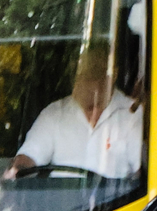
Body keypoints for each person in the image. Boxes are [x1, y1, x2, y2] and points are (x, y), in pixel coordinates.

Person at [13, 46, 144, 182]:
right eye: (81, 73)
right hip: (61, 200)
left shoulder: (133, 113)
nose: (86, 80)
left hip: (120, 201)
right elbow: (29, 156)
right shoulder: (55, 113)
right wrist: (18, 169)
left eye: (94, 73)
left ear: (113, 74)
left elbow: (141, 172)